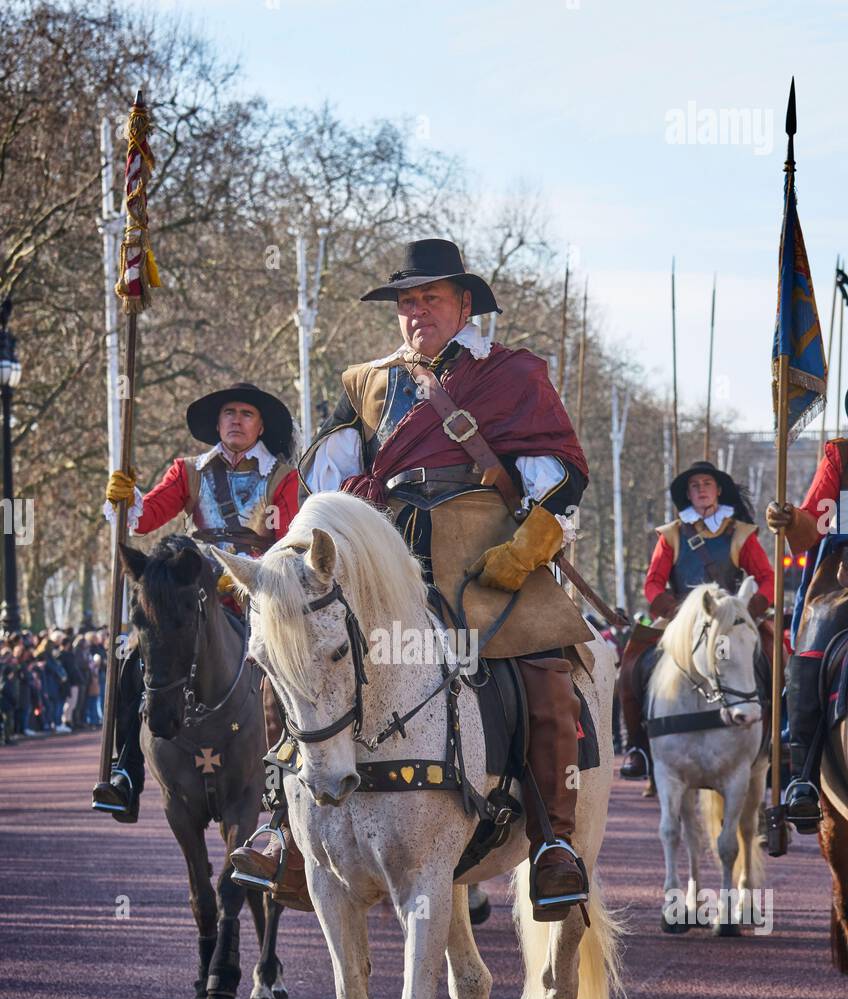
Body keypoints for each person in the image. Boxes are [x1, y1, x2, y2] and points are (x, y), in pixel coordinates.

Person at [234, 238, 592, 921]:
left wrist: (523, 551)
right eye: (406, 301)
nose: (416, 311)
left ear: (464, 304)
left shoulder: (513, 373)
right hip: (380, 549)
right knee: (301, 652)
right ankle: (280, 823)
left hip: (485, 546)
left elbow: (557, 477)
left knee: (542, 664)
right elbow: (323, 482)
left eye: (431, 298)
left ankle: (553, 846)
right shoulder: (365, 381)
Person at [93, 383, 298, 822]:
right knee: (132, 658)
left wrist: (248, 571)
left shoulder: (282, 477)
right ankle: (126, 772)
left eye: (246, 413)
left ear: (260, 426)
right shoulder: (188, 472)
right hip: (192, 589)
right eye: (229, 413)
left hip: (257, 592)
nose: (237, 420)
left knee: (298, 667)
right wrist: (124, 498)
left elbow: (293, 540)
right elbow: (144, 519)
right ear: (217, 423)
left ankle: (295, 778)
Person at [619, 461, 774, 779]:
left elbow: (767, 577)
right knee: (632, 663)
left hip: (732, 620)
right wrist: (675, 611)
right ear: (688, 494)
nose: (701, 489)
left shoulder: (741, 534)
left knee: (774, 655)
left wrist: (749, 609)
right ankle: (638, 747)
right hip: (680, 620)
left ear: (718, 490)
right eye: (695, 485)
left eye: (707, 483)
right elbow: (653, 583)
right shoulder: (672, 534)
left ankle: (772, 741)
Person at [766, 425, 848, 828]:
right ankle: (803, 777)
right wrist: (791, 518)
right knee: (817, 631)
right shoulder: (841, 455)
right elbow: (815, 517)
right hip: (846, 577)